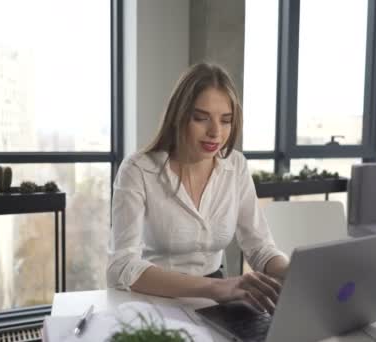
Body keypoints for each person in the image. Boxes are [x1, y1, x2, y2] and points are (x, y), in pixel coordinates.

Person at [107, 62, 289, 313]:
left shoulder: (235, 166)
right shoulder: (138, 170)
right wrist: (215, 288)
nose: (215, 132)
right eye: (201, 118)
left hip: (216, 301)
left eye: (226, 121)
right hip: (155, 301)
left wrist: (292, 272)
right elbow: (122, 266)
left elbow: (259, 247)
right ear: (178, 117)